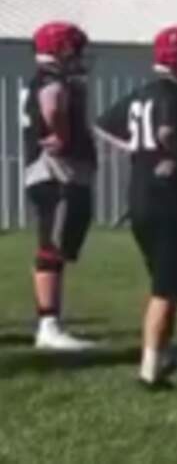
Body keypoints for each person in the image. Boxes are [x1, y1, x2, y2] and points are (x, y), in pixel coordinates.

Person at [94, 26, 177, 387]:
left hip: (141, 193)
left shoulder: (142, 93)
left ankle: (162, 354)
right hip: (168, 198)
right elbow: (165, 132)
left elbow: (104, 126)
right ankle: (150, 369)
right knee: (167, 288)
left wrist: (139, 150)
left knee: (166, 284)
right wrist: (170, 154)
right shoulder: (172, 96)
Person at [22, 22, 99, 351]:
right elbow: (52, 103)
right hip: (56, 172)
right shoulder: (52, 80)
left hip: (48, 173)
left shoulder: (41, 79)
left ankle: (50, 323)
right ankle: (48, 325)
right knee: (51, 249)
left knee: (55, 249)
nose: (80, 58)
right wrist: (62, 133)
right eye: (76, 51)